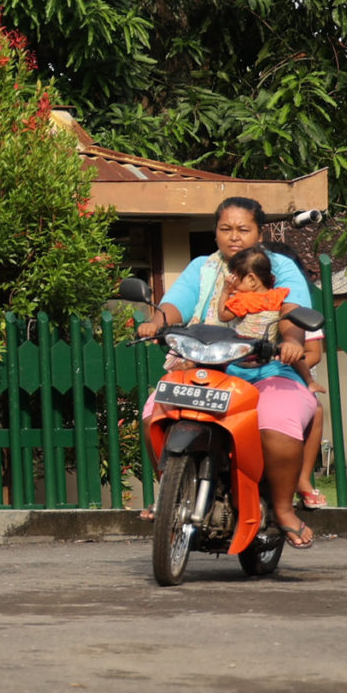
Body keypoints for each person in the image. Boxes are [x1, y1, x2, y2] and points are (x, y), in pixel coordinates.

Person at [137, 197, 322, 547]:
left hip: (267, 369)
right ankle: (172, 494)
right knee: (154, 414)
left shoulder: (277, 266)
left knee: (275, 424)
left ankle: (283, 509)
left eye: (243, 229)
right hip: (208, 366)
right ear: (215, 232)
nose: (233, 237)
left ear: (259, 231)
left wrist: (292, 340)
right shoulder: (203, 268)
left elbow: (292, 307)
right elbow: (177, 302)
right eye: (225, 229)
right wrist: (156, 322)